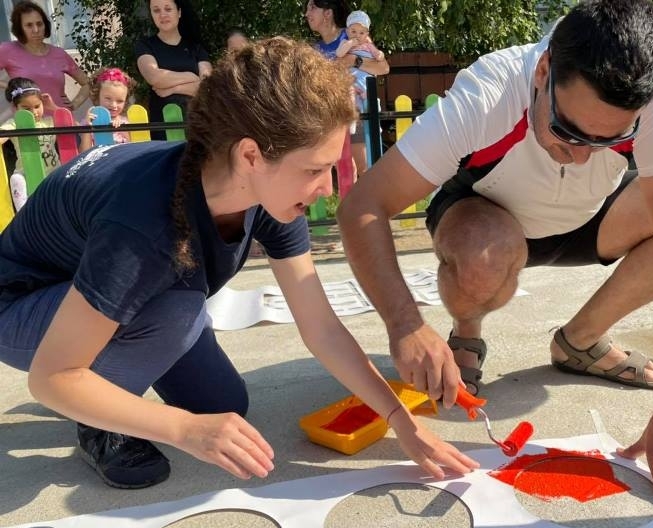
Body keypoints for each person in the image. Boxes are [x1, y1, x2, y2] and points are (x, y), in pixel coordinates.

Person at [337, 0, 653, 519]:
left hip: (593, 216)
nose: (581, 154)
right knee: (486, 253)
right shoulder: (488, 94)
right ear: (543, 72)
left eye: (611, 139)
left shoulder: (651, 97)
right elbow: (362, 206)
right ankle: (467, 332)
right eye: (568, 130)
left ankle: (580, 340)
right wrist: (406, 325)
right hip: (491, 215)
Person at [0, 37, 478, 490]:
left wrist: (401, 420)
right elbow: (52, 376)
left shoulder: (265, 195)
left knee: (224, 406)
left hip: (125, 293)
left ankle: (127, 368)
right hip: (23, 304)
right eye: (315, 170)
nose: (327, 189)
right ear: (251, 154)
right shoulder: (140, 222)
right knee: (178, 317)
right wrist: (183, 429)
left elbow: (321, 328)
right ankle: (100, 423)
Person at [305, 0, 389, 177]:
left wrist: (354, 61)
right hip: (333, 116)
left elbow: (383, 68)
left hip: (359, 110)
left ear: (328, 13)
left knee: (365, 168)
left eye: (312, 8)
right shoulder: (315, 50)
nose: (307, 14)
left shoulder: (353, 33)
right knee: (345, 172)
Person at [135, 0, 212, 141]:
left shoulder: (196, 48)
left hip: (197, 125)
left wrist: (172, 88)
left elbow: (207, 87)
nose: (162, 15)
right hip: (162, 127)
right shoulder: (145, 46)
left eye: (168, 9)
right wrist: (191, 76)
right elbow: (154, 77)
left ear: (179, 12)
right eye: (156, 10)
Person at [0, 1, 91, 113]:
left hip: (61, 119)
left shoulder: (59, 53)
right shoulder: (7, 50)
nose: (36, 30)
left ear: (45, 25)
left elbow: (87, 83)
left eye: (39, 24)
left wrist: (74, 104)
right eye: (29, 25)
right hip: (29, 120)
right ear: (20, 28)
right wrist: (11, 87)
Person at [0, 78, 60, 211]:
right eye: (26, 108)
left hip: (53, 172)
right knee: (16, 179)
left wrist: (53, 107)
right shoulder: (14, 124)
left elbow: (74, 125)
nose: (34, 112)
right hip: (26, 173)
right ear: (15, 108)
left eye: (37, 106)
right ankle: (24, 212)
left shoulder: (49, 121)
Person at [335, 10, 385, 111]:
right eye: (353, 32)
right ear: (347, 31)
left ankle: (372, 112)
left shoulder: (368, 46)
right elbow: (339, 53)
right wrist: (350, 44)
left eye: (361, 33)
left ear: (366, 35)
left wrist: (380, 54)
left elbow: (378, 55)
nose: (357, 35)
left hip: (365, 80)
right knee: (351, 99)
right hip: (351, 80)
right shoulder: (345, 43)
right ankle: (354, 115)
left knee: (369, 101)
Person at [79, 67, 133, 152]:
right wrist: (88, 128)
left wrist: (122, 130)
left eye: (120, 101)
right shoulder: (90, 121)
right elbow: (83, 152)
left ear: (125, 101)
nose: (113, 105)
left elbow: (132, 150)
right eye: (108, 98)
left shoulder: (125, 123)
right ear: (98, 96)